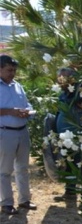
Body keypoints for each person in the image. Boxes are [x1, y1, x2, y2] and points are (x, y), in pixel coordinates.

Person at [0, 54, 36, 215]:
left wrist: (27, 112)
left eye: (14, 70)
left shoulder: (17, 86)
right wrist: (11, 111)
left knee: (23, 168)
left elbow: (27, 104)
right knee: (5, 170)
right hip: (5, 132)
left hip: (22, 131)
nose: (12, 73)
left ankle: (24, 200)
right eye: (9, 70)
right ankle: (7, 203)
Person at [52, 67, 82, 203]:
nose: (61, 81)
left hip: (81, 135)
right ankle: (70, 191)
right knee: (69, 164)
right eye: (60, 78)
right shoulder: (63, 94)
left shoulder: (81, 93)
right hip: (66, 136)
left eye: (64, 78)